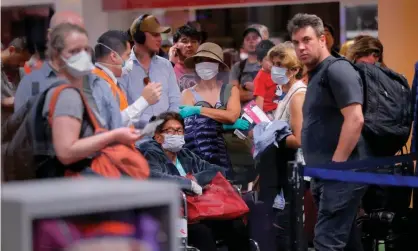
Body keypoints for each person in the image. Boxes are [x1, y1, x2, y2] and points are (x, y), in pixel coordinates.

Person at [288, 13, 367, 251]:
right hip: (326, 175)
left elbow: (355, 119)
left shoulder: (337, 69)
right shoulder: (316, 74)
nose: (301, 47)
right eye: (296, 42)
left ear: (322, 39)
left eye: (307, 40)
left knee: (326, 242)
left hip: (341, 174)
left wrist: (336, 165)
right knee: (347, 242)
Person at [138, 112, 251, 251]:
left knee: (236, 225)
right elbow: (154, 176)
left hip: (200, 210)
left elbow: (217, 170)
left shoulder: (185, 154)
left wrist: (196, 179)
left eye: (179, 131)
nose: (176, 135)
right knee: (202, 233)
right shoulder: (149, 153)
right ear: (158, 136)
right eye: (170, 131)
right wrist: (188, 184)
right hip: (175, 215)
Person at [41, 23, 141, 174]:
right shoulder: (67, 95)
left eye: (85, 49)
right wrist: (113, 135)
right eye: (74, 51)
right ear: (56, 57)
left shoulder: (89, 86)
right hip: (76, 182)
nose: (82, 56)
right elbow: (66, 152)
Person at [179, 42, 247, 176]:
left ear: (219, 66)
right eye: (201, 60)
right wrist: (225, 125)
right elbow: (192, 128)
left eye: (210, 61)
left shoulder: (230, 90)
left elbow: (232, 116)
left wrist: (198, 110)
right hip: (200, 160)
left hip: (233, 156)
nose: (205, 64)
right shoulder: (187, 94)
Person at [14, 11, 89, 110]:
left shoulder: (97, 82)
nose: (75, 40)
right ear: (50, 36)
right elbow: (21, 123)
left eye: (80, 33)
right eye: (68, 33)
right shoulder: (32, 84)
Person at [121, 14, 181, 129]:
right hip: (138, 138)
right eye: (155, 35)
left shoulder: (166, 65)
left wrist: (168, 126)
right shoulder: (123, 69)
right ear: (139, 37)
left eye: (160, 35)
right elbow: (123, 112)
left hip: (166, 137)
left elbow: (175, 101)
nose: (160, 39)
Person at [94, 30, 162, 127]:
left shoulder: (110, 81)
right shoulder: (98, 83)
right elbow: (112, 123)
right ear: (114, 56)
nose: (130, 61)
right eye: (128, 55)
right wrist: (144, 101)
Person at [230, 27, 262, 104]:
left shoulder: (269, 65)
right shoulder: (237, 67)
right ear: (243, 45)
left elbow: (273, 92)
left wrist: (244, 89)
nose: (251, 41)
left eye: (254, 38)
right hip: (243, 113)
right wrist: (261, 92)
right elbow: (234, 95)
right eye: (247, 39)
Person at [172, 25, 201, 91]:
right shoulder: (170, 68)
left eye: (194, 41)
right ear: (175, 44)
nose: (190, 45)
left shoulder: (205, 69)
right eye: (184, 41)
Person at [253, 39, 277, 115]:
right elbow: (259, 103)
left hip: (280, 108)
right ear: (259, 62)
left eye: (273, 58)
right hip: (269, 113)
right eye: (267, 59)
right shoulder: (260, 78)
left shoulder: (278, 71)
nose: (272, 62)